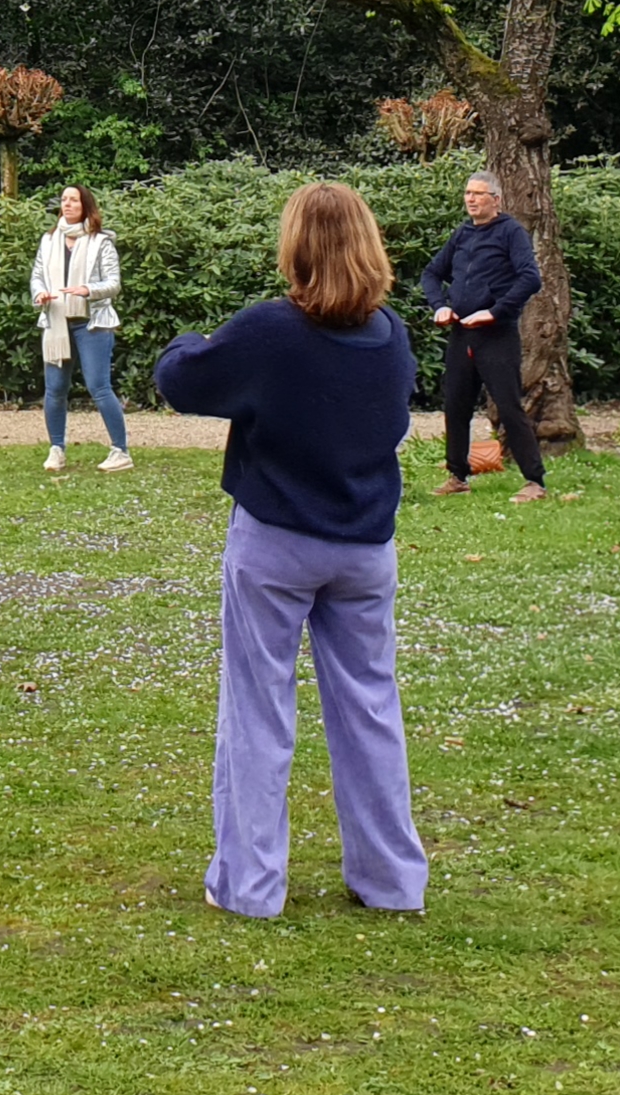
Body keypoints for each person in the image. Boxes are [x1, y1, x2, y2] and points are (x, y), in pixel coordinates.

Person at [153, 181, 430, 919]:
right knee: (370, 710)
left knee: (257, 711)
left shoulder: (271, 330)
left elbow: (182, 382)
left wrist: (186, 340)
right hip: (364, 547)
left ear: (295, 246)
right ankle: (392, 881)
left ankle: (249, 886)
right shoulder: (391, 334)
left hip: (277, 542)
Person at [418, 170, 550, 501]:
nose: (471, 199)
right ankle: (457, 476)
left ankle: (535, 481)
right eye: (467, 193)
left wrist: (494, 312)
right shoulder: (462, 235)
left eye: (478, 194)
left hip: (497, 335)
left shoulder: (510, 233)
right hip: (461, 334)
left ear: (496, 200)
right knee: (456, 406)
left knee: (508, 407)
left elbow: (530, 278)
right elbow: (432, 273)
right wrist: (439, 307)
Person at [30, 184, 132, 474]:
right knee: (55, 389)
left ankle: (120, 451)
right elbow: (37, 276)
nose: (67, 204)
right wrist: (40, 295)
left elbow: (114, 283)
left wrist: (87, 289)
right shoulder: (49, 240)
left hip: (93, 323)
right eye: (63, 199)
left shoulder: (101, 242)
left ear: (86, 205)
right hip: (56, 321)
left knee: (99, 387)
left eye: (74, 200)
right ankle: (56, 449)